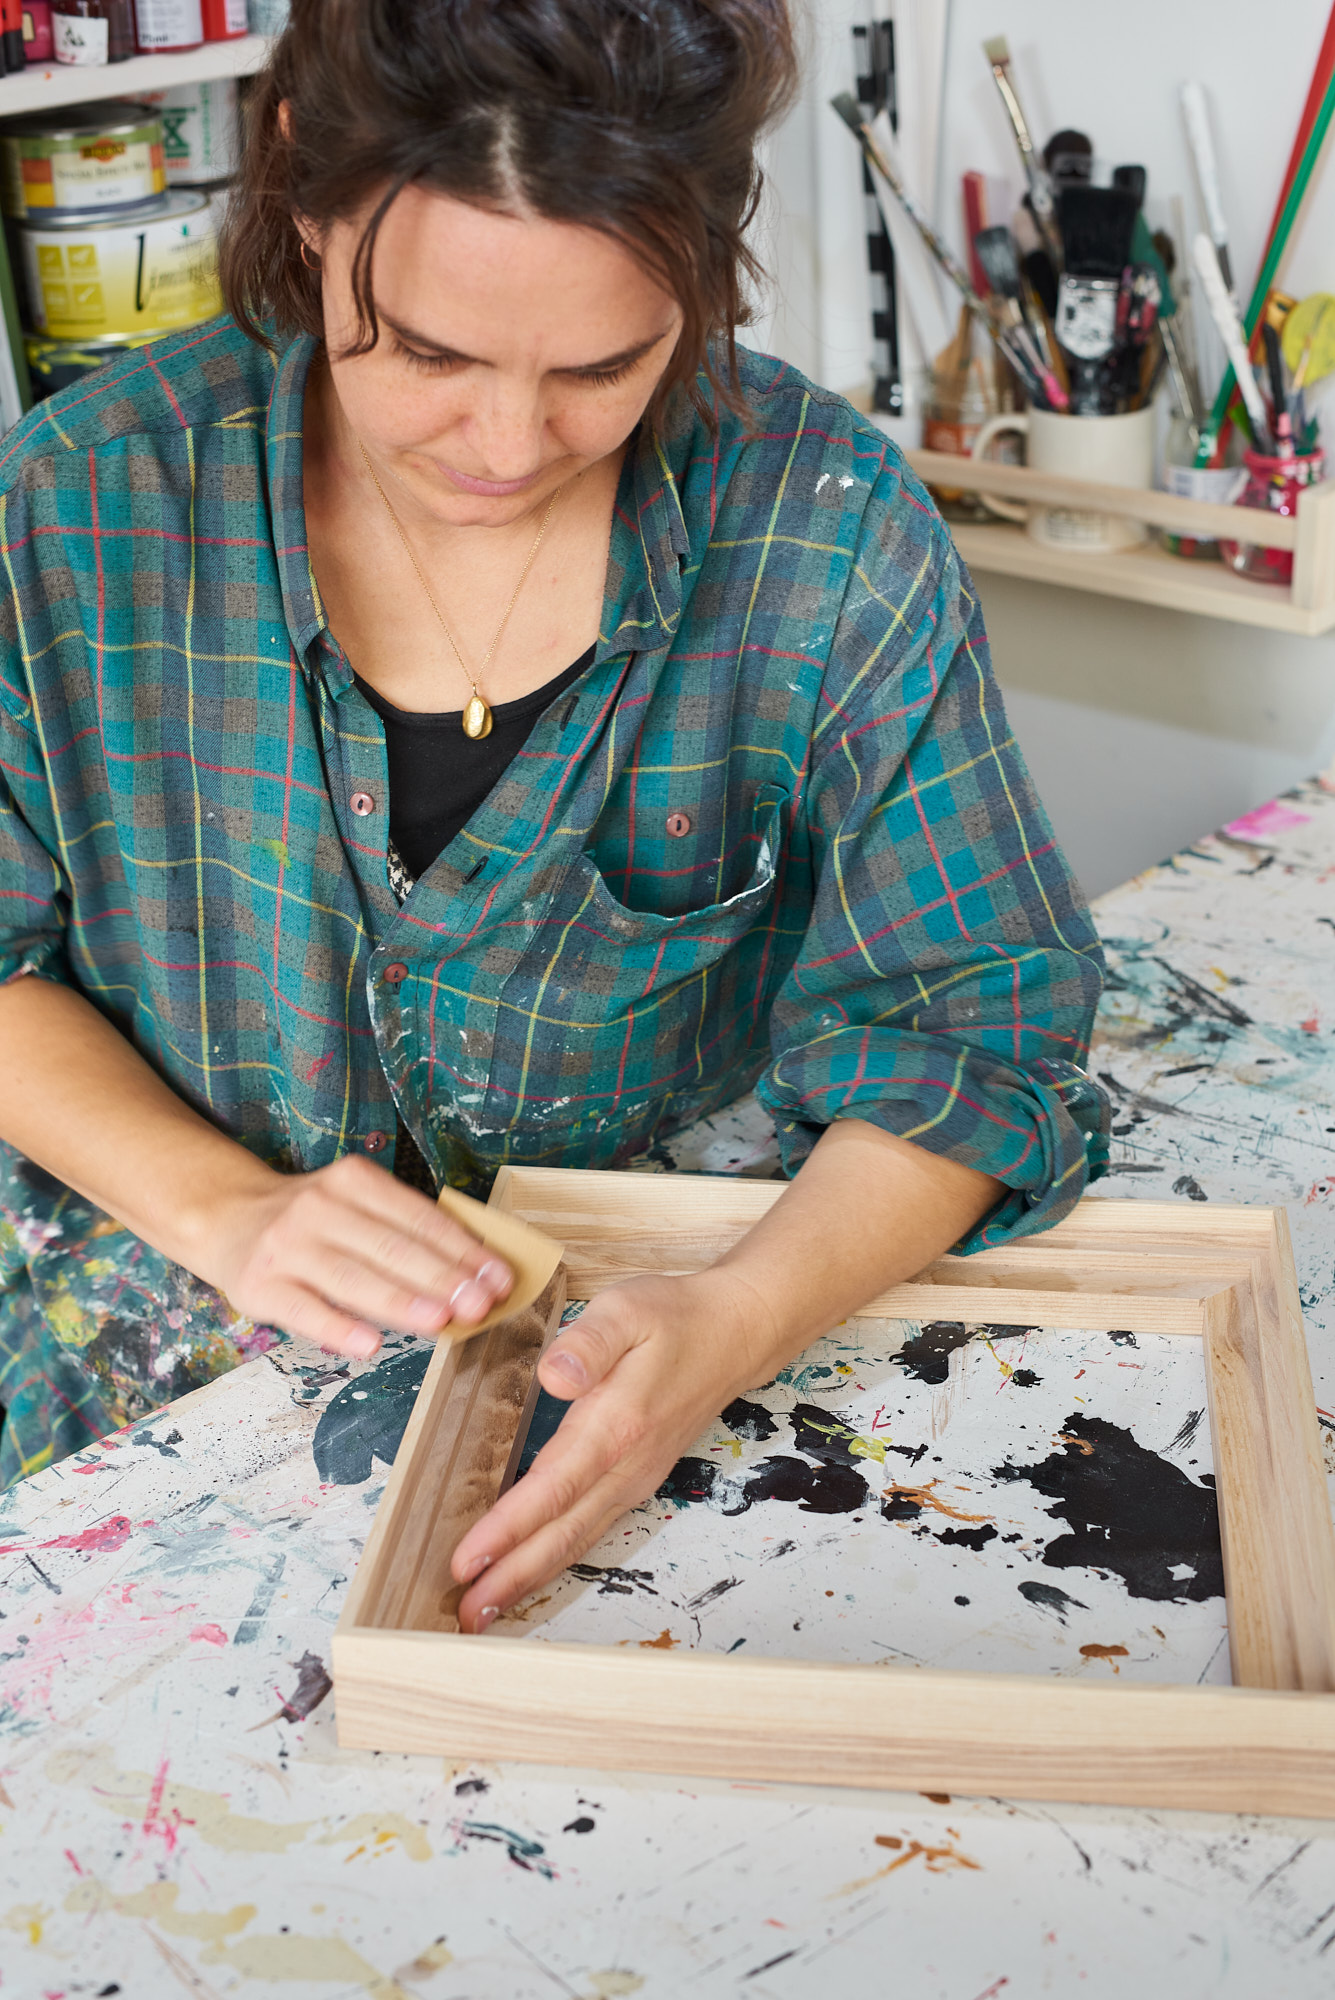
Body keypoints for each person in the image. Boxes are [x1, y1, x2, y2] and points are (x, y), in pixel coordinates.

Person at [0, 0, 1107, 1629]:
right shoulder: (88, 499)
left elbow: (974, 1030)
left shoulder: (822, 528)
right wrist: (222, 1205)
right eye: (432, 355)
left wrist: (737, 1319)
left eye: (603, 367)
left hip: (640, 1331)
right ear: (298, 185)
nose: (511, 446)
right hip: (152, 1358)